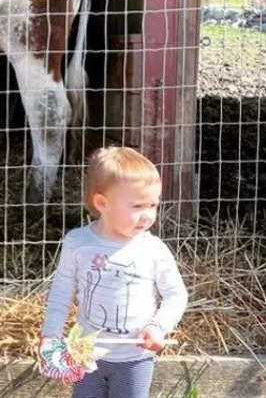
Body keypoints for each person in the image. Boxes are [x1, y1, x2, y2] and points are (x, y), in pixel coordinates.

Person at [40, 146, 188, 398]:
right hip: (86, 354)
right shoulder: (78, 243)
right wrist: (51, 335)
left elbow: (176, 295)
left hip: (135, 359)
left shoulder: (153, 249)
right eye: (138, 206)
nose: (148, 215)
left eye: (153, 205)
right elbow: (61, 292)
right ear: (102, 203)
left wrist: (158, 327)